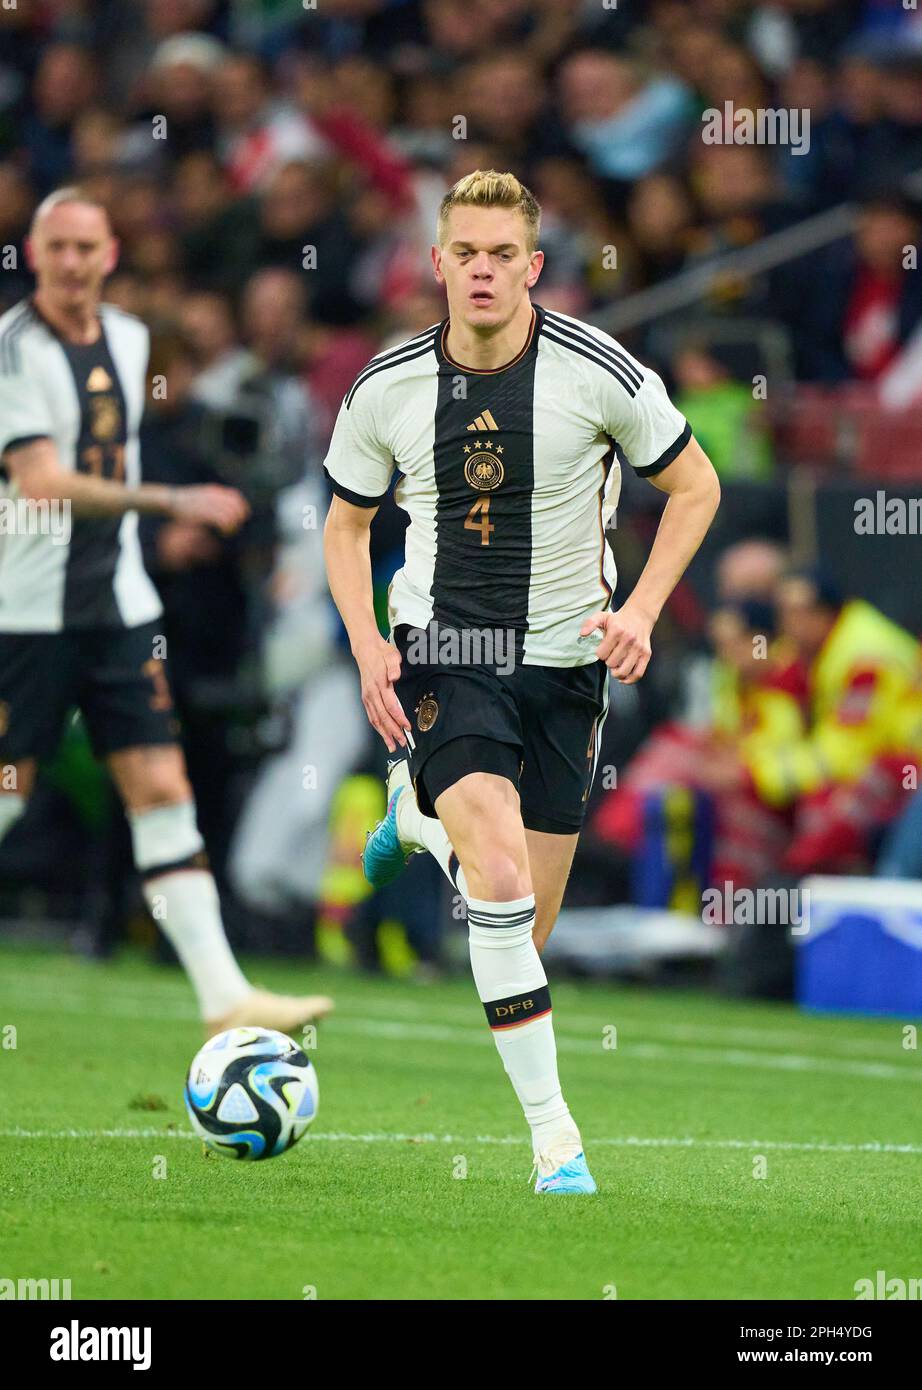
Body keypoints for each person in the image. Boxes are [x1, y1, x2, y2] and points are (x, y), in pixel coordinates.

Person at [323, 170, 720, 1193]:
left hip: (566, 667)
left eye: (504, 254)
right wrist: (370, 641)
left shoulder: (599, 370)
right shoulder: (389, 384)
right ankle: (557, 1143)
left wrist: (636, 612)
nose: (485, 270)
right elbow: (345, 520)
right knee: (496, 879)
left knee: (519, 934)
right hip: (447, 651)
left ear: (534, 265)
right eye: (467, 252)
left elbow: (695, 484)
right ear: (438, 262)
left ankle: (417, 821)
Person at [0, 186, 333, 1038]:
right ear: (35, 256)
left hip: (117, 607)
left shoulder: (130, 337)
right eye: (57, 248)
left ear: (110, 256)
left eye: (87, 247)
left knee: (160, 783)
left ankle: (225, 995)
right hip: (28, 609)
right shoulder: (10, 348)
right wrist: (169, 500)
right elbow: (37, 482)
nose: (72, 263)